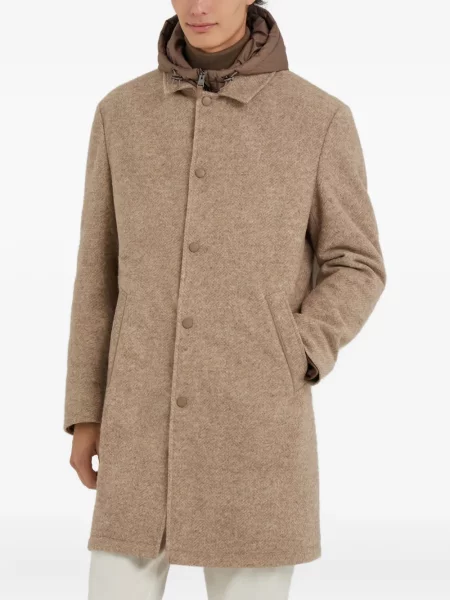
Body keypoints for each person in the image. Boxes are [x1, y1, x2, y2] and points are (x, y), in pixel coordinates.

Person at [64, 1, 387, 598]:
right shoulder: (121, 114)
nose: (198, 5)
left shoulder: (317, 118)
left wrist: (297, 348)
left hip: (256, 426)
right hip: (138, 422)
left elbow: (357, 262)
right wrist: (87, 411)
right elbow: (97, 276)